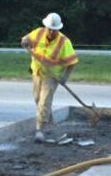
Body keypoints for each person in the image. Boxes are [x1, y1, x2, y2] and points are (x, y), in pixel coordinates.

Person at [20, 12, 78, 143]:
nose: (51, 32)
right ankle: (51, 125)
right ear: (46, 26)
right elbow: (26, 39)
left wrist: (65, 77)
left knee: (44, 102)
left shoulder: (64, 42)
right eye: (50, 29)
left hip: (52, 76)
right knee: (37, 99)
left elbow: (72, 62)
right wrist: (25, 41)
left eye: (54, 30)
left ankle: (39, 130)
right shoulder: (39, 32)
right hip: (37, 72)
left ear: (58, 29)